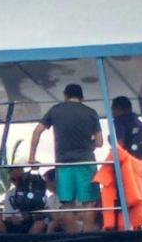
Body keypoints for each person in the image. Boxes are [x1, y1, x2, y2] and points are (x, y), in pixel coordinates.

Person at [28, 84, 102, 232]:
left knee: (67, 204)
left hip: (63, 164)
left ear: (65, 95)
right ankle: (88, 237)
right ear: (82, 97)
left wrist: (32, 157)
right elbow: (100, 142)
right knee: (88, 203)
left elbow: (37, 132)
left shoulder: (56, 110)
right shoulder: (91, 112)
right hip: (86, 162)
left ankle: (72, 237)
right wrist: (89, 144)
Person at [111, 96, 142, 162]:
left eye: (113, 109)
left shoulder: (119, 121)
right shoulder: (137, 121)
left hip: (130, 161)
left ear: (118, 108)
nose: (112, 112)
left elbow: (120, 144)